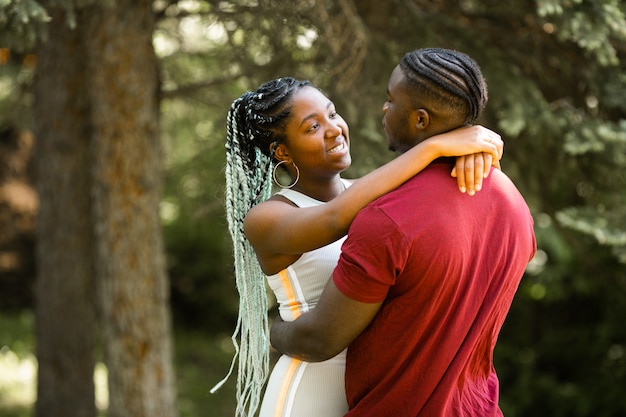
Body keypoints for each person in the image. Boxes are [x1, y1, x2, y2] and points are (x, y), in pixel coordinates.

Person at [270, 48, 537, 417]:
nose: (384, 109)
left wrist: (273, 330)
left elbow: (320, 339)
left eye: (391, 100)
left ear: (421, 120)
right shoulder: (515, 206)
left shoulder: (387, 219)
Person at [217, 75, 503, 417]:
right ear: (282, 151)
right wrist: (436, 146)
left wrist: (469, 155)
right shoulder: (268, 217)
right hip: (313, 389)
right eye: (312, 127)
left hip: (378, 387)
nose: (334, 129)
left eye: (332, 114)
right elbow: (336, 218)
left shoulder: (372, 193)